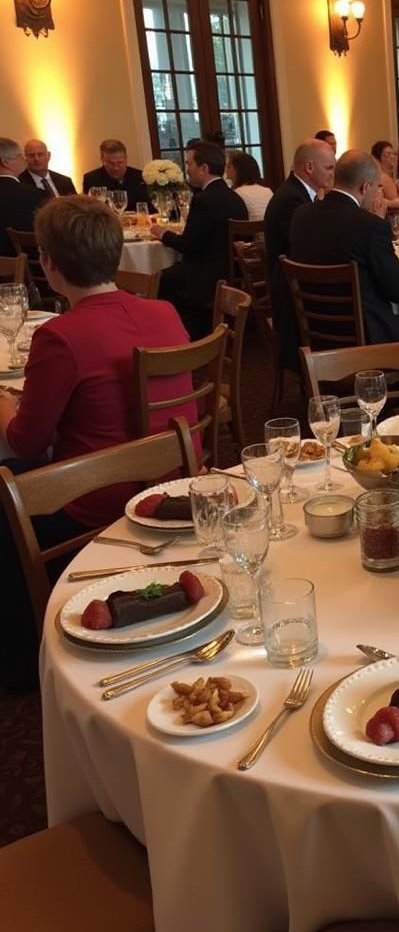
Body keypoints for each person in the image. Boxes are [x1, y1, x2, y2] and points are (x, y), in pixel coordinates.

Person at [0, 195, 196, 688]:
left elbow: (25, 441)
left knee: (5, 491)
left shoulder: (61, 337)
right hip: (174, 485)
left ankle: (22, 658)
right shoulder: (165, 311)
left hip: (97, 501)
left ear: (47, 261)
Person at [287, 150, 399, 359]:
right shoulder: (369, 226)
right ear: (365, 186)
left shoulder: (301, 214)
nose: (379, 193)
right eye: (378, 187)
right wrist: (378, 224)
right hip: (368, 336)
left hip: (316, 332)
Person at [153, 141, 247, 338]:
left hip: (205, 278)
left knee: (157, 279)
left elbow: (190, 246)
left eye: (189, 165)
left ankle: (175, 337)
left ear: (203, 168)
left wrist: (164, 234)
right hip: (230, 273)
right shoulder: (234, 197)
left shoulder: (204, 200)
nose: (187, 170)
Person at [264, 138, 337, 370]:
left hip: (297, 285)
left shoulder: (300, 194)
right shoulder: (291, 200)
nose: (332, 175)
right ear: (309, 167)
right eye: (329, 168)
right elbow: (309, 249)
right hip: (292, 295)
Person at [0, 137, 43, 256]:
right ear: (6, 162)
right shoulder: (31, 194)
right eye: (19, 156)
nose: (24, 159)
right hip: (24, 266)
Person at [82, 139, 149, 207]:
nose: (115, 168)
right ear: (102, 160)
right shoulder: (92, 179)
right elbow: (90, 210)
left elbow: (149, 208)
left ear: (126, 159)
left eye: (120, 163)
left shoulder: (139, 176)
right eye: (110, 163)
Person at [225, 150, 273, 219]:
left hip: (249, 229)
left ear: (237, 170)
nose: (226, 170)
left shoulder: (237, 194)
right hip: (270, 229)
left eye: (228, 167)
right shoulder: (268, 191)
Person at [370, 140, 399, 211]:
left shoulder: (382, 176)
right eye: (388, 154)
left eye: (393, 154)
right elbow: (397, 203)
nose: (392, 157)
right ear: (379, 158)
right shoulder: (384, 178)